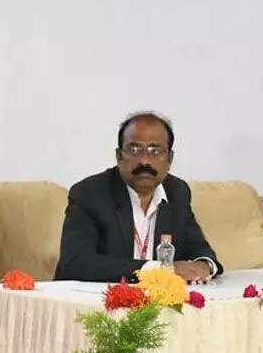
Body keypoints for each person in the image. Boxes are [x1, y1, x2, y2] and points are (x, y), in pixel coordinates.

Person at [54, 112, 223, 284]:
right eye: (134, 150)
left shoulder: (177, 192)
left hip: (157, 303)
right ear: (119, 155)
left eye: (155, 151)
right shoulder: (90, 193)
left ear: (170, 158)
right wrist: (159, 270)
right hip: (96, 302)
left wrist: (204, 265)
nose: (144, 161)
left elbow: (199, 248)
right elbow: (76, 263)